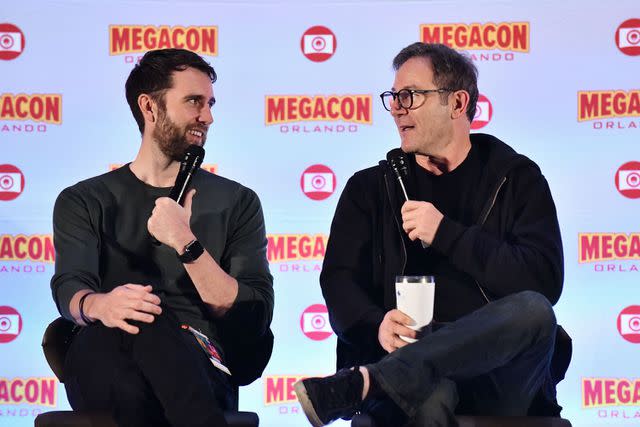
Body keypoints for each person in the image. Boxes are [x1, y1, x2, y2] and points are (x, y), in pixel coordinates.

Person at [294, 42, 568, 427]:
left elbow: (543, 281)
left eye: (410, 96)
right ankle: (389, 378)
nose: (397, 107)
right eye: (393, 97)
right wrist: (375, 324)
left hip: (498, 375)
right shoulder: (369, 189)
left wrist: (447, 234)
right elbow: (338, 280)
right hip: (404, 358)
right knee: (425, 395)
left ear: (457, 103)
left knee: (535, 311)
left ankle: (371, 382)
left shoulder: (516, 179)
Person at [50, 48, 274, 427]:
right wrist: (100, 305)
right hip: (105, 353)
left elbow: (254, 312)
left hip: (198, 358)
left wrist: (186, 243)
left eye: (210, 104)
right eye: (194, 102)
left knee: (147, 338)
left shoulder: (236, 201)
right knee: (133, 322)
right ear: (149, 108)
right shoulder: (84, 200)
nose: (208, 116)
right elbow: (71, 285)